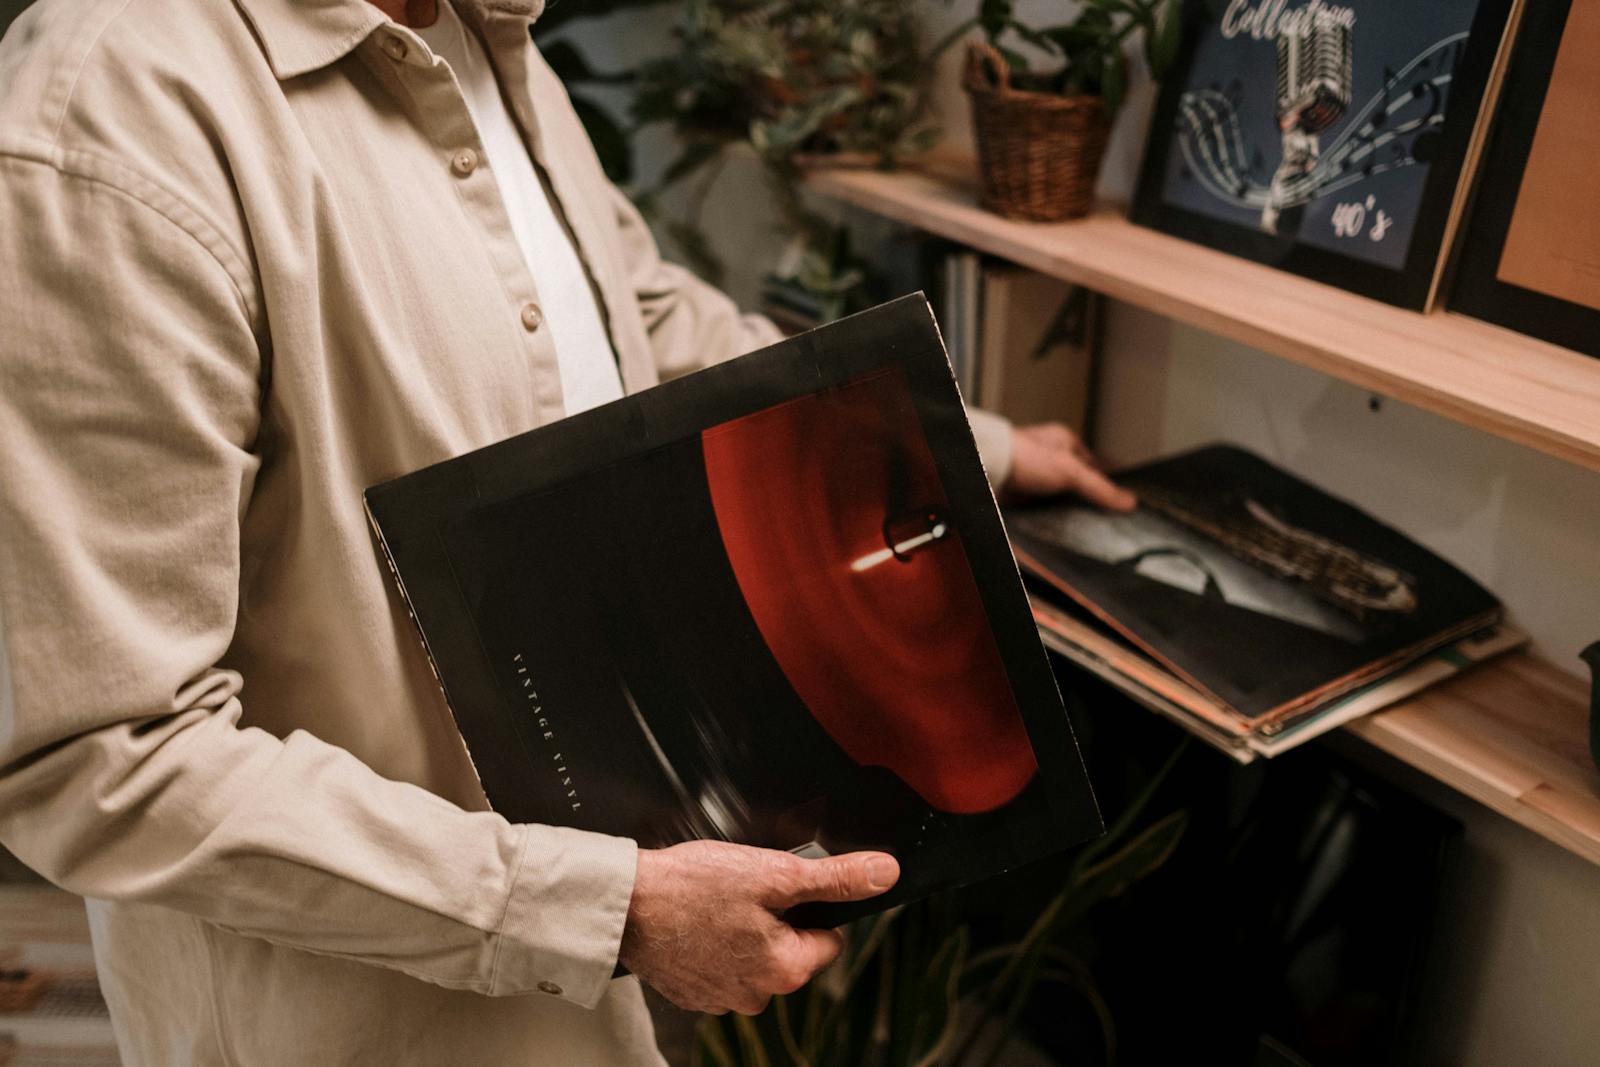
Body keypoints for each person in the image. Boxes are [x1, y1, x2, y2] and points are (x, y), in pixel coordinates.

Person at [0, 0, 1134, 1062]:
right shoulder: (112, 110)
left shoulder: (482, 34)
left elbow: (633, 313)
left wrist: (977, 442)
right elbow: (104, 757)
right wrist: (608, 908)